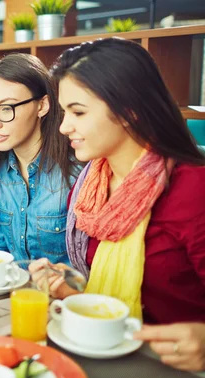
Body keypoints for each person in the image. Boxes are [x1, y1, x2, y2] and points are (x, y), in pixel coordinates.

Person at [32, 38, 205, 325]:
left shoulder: (193, 190)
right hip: (108, 344)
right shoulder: (90, 185)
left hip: (175, 365)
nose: (64, 127)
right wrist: (71, 286)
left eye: (79, 112)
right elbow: (107, 293)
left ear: (129, 111)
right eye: (64, 113)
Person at [0, 53, 78, 264]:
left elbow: (91, 264)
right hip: (11, 293)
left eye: (5, 108)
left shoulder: (76, 172)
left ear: (42, 106)